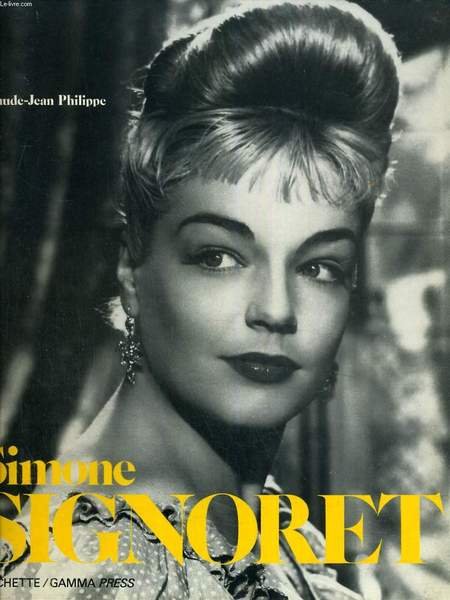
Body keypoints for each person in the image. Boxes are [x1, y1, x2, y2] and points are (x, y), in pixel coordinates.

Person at [2, 1, 400, 598]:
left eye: (319, 266)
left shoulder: (235, 517)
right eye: (218, 256)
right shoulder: (110, 569)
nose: (276, 310)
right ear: (131, 270)